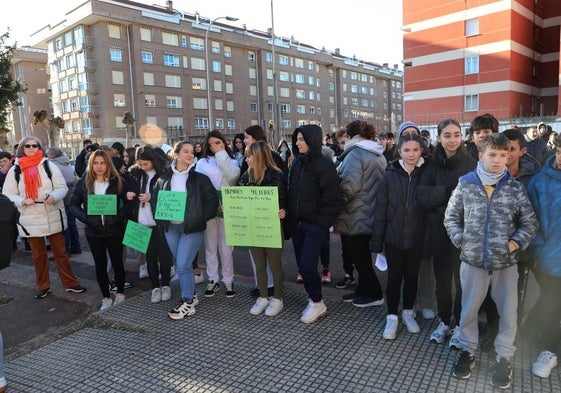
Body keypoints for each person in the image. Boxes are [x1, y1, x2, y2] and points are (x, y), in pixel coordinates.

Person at [445, 133, 538, 389]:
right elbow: (451, 216)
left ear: (509, 156)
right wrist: (461, 239)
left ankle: (504, 357)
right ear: (481, 155)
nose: (498, 160)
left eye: (503, 155)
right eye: (492, 155)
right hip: (473, 262)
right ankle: (467, 351)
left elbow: (530, 222)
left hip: (505, 264)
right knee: (469, 311)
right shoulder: (466, 184)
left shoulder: (515, 188)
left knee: (508, 313)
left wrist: (514, 244)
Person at [417, 119, 477, 347]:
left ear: (461, 137)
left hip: (463, 231)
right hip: (438, 230)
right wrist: (448, 192)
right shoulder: (431, 165)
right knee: (442, 279)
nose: (452, 139)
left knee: (462, 281)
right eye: (447, 135)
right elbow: (422, 196)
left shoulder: (471, 164)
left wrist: (441, 198)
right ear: (439, 137)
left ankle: (461, 325)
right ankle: (444, 321)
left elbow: (473, 199)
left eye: (456, 134)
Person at [3, 136, 86, 299]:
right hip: (30, 217)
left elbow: (62, 188)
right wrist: (22, 200)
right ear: (22, 148)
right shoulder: (16, 169)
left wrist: (53, 196)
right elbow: (7, 194)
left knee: (60, 252)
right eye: (28, 145)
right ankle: (43, 286)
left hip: (51, 213)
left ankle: (70, 283)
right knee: (38, 255)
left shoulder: (49, 165)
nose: (32, 148)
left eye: (35, 145)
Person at [152, 141, 218, 319]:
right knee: (183, 265)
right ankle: (192, 295)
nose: (190, 155)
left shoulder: (200, 178)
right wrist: (159, 218)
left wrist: (201, 218)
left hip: (192, 228)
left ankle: (187, 302)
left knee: (181, 265)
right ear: (176, 154)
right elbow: (155, 198)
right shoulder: (164, 177)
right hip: (171, 228)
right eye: (185, 151)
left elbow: (212, 201)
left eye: (191, 152)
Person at [372, 133, 426, 340]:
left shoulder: (426, 174)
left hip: (416, 237)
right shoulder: (390, 176)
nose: (411, 154)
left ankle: (408, 311)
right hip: (393, 238)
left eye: (415, 149)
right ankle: (392, 316)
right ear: (399, 151)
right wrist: (377, 242)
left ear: (421, 150)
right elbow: (381, 210)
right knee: (394, 278)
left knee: (412, 277)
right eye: (406, 150)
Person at [288, 124, 342, 323]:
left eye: (301, 139)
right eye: (297, 139)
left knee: (308, 265)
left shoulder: (324, 164)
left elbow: (333, 199)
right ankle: (313, 299)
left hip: (314, 225)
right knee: (303, 266)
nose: (297, 142)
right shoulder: (296, 164)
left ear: (312, 139)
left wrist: (321, 224)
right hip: (298, 224)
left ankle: (318, 302)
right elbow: (292, 192)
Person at [334, 120, 385, 307]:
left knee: (359, 257)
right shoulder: (377, 152)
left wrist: (334, 205)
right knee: (361, 255)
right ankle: (362, 290)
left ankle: (374, 293)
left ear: (351, 136)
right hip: (370, 211)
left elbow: (349, 187)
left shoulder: (355, 154)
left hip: (355, 212)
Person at [69, 149, 127, 310]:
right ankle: (106, 297)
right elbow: (73, 204)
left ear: (107, 164)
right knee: (100, 264)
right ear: (91, 164)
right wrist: (86, 218)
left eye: (102, 163)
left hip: (115, 230)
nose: (99, 166)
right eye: (96, 163)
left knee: (117, 262)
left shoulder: (118, 181)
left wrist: (118, 217)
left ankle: (120, 292)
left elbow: (129, 204)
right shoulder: (83, 182)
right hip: (93, 231)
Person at [526, 134, 561, 379]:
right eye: (559, 153)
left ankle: (530, 328)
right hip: (548, 257)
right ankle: (549, 351)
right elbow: (529, 219)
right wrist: (537, 250)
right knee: (552, 304)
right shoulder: (540, 181)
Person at [239, 140, 287, 316]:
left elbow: (284, 200)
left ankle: (278, 298)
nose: (247, 160)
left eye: (249, 156)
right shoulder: (247, 175)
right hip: (254, 227)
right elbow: (239, 196)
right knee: (259, 265)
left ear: (259, 156)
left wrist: (284, 211)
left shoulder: (276, 175)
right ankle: (263, 296)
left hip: (271, 227)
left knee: (275, 264)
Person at [196, 131, 240, 298]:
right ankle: (212, 279)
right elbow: (198, 184)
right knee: (210, 246)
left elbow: (233, 178)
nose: (214, 145)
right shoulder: (202, 162)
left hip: (226, 208)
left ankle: (228, 280)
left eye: (218, 142)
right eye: (212, 143)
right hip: (208, 208)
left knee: (226, 248)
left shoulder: (234, 161)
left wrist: (221, 154)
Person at [127, 146, 174, 303]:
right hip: (141, 221)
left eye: (145, 164)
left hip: (159, 221)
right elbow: (124, 189)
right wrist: (128, 194)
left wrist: (152, 196)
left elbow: (170, 196)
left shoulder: (164, 173)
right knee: (150, 256)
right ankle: (155, 287)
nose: (142, 167)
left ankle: (166, 285)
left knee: (164, 255)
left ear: (153, 161)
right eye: (139, 163)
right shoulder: (134, 174)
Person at [46, 147, 82, 255]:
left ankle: (65, 250)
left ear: (51, 155)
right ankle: (76, 246)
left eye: (47, 155)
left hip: (61, 196)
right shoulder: (66, 162)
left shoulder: (53, 165)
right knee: (71, 223)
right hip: (70, 193)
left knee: (63, 224)